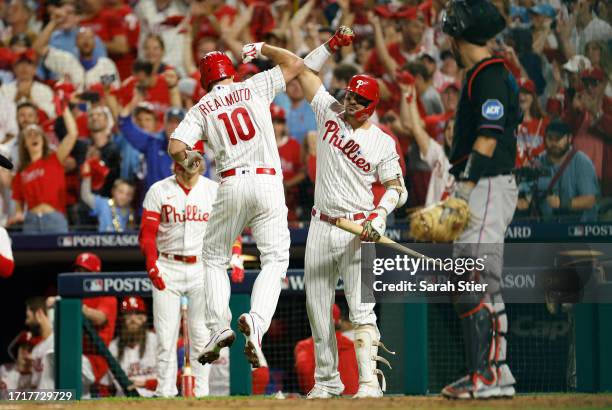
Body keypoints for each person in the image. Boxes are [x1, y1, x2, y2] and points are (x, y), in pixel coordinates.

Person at [167, 44, 303, 369]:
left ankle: (218, 328)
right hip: (269, 182)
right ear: (230, 70)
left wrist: (191, 160)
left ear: (204, 80)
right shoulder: (252, 85)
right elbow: (297, 63)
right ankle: (257, 322)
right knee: (276, 260)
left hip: (231, 182)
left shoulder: (201, 107)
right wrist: (264, 49)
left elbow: (174, 147)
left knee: (214, 259)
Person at [296, 27, 406, 398]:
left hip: (360, 227)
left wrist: (379, 216)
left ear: (371, 105)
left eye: (359, 99)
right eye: (350, 94)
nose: (351, 101)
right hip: (321, 222)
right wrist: (329, 46)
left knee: (361, 311)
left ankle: (368, 384)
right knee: (318, 308)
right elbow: (303, 72)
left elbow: (397, 189)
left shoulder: (381, 142)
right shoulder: (328, 110)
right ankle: (327, 381)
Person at [440, 0, 520, 399]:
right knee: (477, 281)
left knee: (474, 278)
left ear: (457, 36)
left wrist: (465, 186)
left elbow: (488, 136)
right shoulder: (486, 72)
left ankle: (487, 375)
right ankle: (495, 372)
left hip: (486, 184)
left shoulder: (488, 73)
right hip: (484, 184)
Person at [139, 142, 215, 397]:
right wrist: (151, 265)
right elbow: (147, 236)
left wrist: (233, 258)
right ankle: (165, 392)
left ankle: (202, 393)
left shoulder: (213, 191)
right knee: (165, 335)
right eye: (188, 154)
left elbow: (229, 231)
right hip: (168, 266)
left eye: (197, 155)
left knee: (201, 334)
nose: (194, 160)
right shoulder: (159, 190)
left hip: (200, 268)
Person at [9, 106, 78, 233]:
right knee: (31, 253)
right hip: (31, 221)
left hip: (55, 218)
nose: (33, 137)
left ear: (43, 139)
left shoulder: (55, 159)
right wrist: (18, 213)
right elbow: (18, 201)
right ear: (24, 143)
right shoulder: (21, 171)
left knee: (59, 253)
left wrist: (64, 108)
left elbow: (72, 134)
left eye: (37, 134)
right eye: (29, 135)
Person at [517, 120, 599, 221]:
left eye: (558, 138)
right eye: (550, 138)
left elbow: (590, 201)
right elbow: (525, 200)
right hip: (546, 229)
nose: (554, 143)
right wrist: (521, 201)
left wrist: (562, 203)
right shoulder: (535, 163)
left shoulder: (582, 162)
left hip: (580, 228)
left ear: (569, 138)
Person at [74, 252, 118, 398]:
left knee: (61, 362)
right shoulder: (74, 295)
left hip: (95, 359)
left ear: (96, 274)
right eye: (78, 271)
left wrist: (69, 305)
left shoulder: (106, 294)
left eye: (85, 271)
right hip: (75, 354)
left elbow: (99, 318)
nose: (80, 275)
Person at [294, 304, 358, 396]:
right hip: (353, 402)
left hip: (320, 401)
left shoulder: (305, 347)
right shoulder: (353, 346)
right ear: (338, 322)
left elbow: (304, 373)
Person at [108, 296, 157, 397]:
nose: (133, 319)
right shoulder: (113, 347)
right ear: (122, 318)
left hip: (154, 399)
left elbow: (170, 381)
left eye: (137, 313)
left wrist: (146, 384)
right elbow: (106, 385)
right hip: (123, 402)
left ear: (145, 317)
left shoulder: (156, 341)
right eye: (128, 314)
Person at [271, 104, 306, 222]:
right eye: (272, 121)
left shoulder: (294, 144)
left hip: (290, 201)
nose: (276, 126)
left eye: (279, 122)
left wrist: (286, 184)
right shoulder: (261, 146)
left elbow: (303, 173)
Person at [80, 166, 135, 232]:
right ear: (113, 191)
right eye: (121, 192)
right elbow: (85, 196)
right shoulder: (103, 204)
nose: (124, 197)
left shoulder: (131, 211)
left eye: (128, 194)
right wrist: (87, 176)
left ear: (132, 197)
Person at [24, 297, 54, 390]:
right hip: (41, 402)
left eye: (28, 317)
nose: (26, 322)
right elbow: (35, 385)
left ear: (39, 314)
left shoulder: (58, 342)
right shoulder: (36, 350)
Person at [0, 331, 36, 396]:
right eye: (23, 347)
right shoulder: (4, 369)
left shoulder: (39, 376)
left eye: (30, 349)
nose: (25, 352)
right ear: (17, 350)